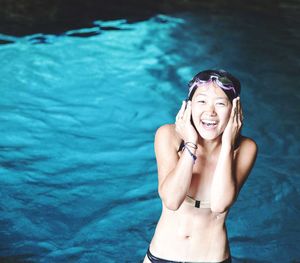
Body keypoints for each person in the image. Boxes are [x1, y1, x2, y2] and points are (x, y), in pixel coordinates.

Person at [143, 69, 258, 263]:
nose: (210, 112)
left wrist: (227, 145)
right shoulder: (168, 136)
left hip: (212, 257)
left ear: (234, 109)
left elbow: (220, 204)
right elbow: (172, 200)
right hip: (161, 254)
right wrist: (191, 144)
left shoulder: (244, 149)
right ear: (189, 106)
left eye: (220, 103)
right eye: (202, 101)